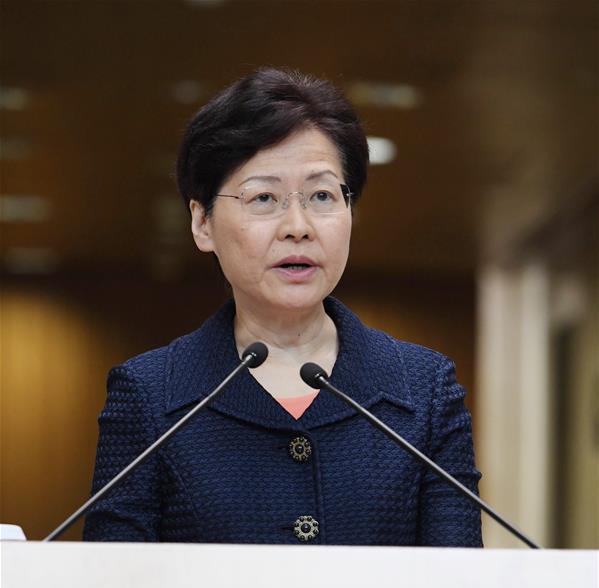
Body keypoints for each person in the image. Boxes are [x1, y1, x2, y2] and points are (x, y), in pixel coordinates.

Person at [83, 67, 482, 546]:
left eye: (321, 195)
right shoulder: (148, 396)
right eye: (264, 197)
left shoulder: (425, 392)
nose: (298, 225)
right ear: (202, 222)